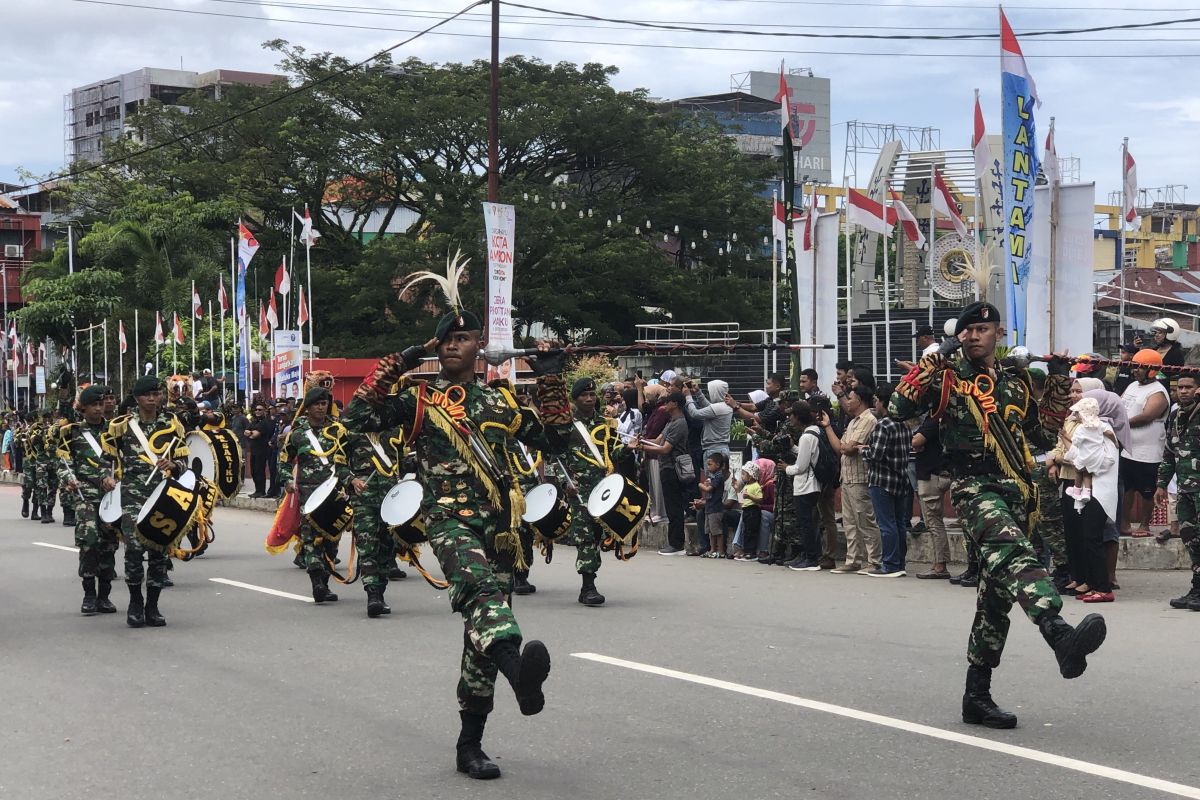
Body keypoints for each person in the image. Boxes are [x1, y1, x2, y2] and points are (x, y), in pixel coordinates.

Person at [342, 294, 567, 781]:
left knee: (479, 634)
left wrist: (549, 376)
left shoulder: (501, 402)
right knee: (482, 593)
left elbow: (556, 439)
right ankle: (519, 677)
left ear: (479, 346)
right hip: (448, 520)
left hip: (501, 527)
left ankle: (471, 744)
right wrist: (401, 361)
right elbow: (355, 419)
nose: (450, 346)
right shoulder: (419, 400)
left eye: (461, 338)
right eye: (444, 339)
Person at [890, 301, 1106, 730]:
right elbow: (899, 407)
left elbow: (1042, 434)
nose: (972, 337)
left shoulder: (1015, 380)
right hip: (973, 486)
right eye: (966, 331)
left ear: (998, 334)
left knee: (996, 599)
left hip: (1017, 489)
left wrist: (1061, 380)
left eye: (981, 329)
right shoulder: (947, 375)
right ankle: (1057, 630)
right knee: (1014, 553)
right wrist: (936, 355)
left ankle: (977, 696)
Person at [104, 376, 189, 628]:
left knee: (159, 552)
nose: (152, 399)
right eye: (147, 395)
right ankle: (134, 602)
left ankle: (152, 606)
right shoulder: (122, 426)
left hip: (162, 496)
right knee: (133, 550)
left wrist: (173, 464)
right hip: (133, 497)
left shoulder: (172, 425)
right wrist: (106, 478)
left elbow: (185, 463)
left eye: (156, 394)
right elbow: (105, 460)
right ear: (137, 398)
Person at [279, 388, 354, 604]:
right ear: (308, 407)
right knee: (310, 538)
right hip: (308, 491)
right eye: (316, 404)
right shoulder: (298, 433)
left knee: (332, 537)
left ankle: (326, 583)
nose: (321, 407)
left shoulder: (339, 430)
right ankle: (316, 583)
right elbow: (284, 460)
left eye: (324, 404)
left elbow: (350, 458)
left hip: (335, 491)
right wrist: (286, 480)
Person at [57, 386, 120, 616]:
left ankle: (104, 596)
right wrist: (69, 479)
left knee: (109, 545)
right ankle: (89, 595)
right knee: (88, 542)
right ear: (83, 408)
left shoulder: (114, 432)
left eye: (100, 404)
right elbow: (63, 463)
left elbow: (122, 461)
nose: (97, 408)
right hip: (85, 495)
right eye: (93, 405)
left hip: (110, 497)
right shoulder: (72, 433)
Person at [562, 376, 624, 605]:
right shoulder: (566, 424)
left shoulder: (605, 423)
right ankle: (588, 586)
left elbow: (614, 451)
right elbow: (556, 458)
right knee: (585, 536)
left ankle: (589, 581)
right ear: (575, 398)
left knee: (597, 535)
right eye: (584, 395)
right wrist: (564, 482)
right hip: (578, 489)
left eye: (591, 395)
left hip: (603, 486)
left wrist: (627, 450)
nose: (589, 399)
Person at [1061, 391, 1122, 604]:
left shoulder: (1104, 431)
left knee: (1093, 539)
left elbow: (1101, 463)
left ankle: (1103, 588)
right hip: (1091, 492)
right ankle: (1095, 584)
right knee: (1088, 538)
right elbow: (1079, 457)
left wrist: (1083, 462)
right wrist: (1065, 439)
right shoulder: (1090, 432)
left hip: (1100, 492)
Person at [344, 421, 404, 617]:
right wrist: (352, 480)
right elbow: (338, 463)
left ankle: (381, 590)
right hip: (364, 498)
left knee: (387, 546)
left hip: (391, 496)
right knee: (367, 543)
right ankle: (373, 595)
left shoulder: (395, 429)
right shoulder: (350, 430)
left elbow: (404, 462)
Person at [821, 386, 882, 574]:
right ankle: (853, 559)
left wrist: (847, 446)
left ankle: (874, 560)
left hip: (860, 476)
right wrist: (828, 426)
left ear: (860, 400)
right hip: (847, 476)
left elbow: (848, 448)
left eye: (851, 398)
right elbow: (840, 447)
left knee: (865, 519)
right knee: (849, 521)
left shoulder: (868, 420)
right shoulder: (854, 421)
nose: (847, 402)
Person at [1156, 373, 1200, 611]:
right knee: (1190, 537)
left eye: (1188, 387)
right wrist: (1162, 484)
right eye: (1179, 387)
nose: (1183, 391)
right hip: (1185, 488)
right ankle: (1197, 586)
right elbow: (1169, 453)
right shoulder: (1175, 415)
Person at [1119, 349, 1170, 537]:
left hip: (1148, 453)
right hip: (1128, 449)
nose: (1135, 371)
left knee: (1147, 491)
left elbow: (1147, 416)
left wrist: (1120, 423)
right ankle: (1124, 524)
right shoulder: (1133, 386)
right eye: (1134, 367)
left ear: (1152, 370)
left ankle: (1144, 525)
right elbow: (1121, 404)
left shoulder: (1158, 391)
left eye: (1140, 368)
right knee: (1127, 489)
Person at [861, 384, 910, 577]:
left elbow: (876, 454)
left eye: (876, 401)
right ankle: (899, 562)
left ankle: (889, 564)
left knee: (886, 524)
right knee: (898, 523)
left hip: (882, 480)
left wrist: (863, 450)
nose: (875, 404)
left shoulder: (883, 425)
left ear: (883, 402)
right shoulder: (904, 425)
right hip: (900, 479)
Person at [637, 391, 691, 556]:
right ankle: (673, 542)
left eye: (667, 402)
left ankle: (677, 544)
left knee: (674, 507)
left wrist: (642, 447)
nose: (665, 405)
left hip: (673, 468)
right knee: (670, 506)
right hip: (665, 467)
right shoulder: (671, 422)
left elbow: (665, 448)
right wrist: (642, 440)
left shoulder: (680, 423)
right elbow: (658, 441)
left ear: (675, 403)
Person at [912, 409, 952, 579]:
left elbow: (916, 441)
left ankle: (939, 565)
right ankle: (939, 563)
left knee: (933, 522)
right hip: (939, 473)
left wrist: (916, 441)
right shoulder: (945, 417)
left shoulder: (934, 419)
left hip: (931, 475)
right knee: (934, 521)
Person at [784, 401, 823, 571]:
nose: (790, 418)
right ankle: (811, 556)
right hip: (813, 484)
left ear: (798, 417)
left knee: (805, 524)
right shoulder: (815, 433)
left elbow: (801, 466)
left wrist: (786, 469)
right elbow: (805, 454)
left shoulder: (806, 437)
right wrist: (793, 447)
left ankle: (811, 559)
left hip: (806, 485)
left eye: (792, 414)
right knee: (809, 523)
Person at [685, 379, 733, 459]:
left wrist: (688, 396)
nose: (709, 394)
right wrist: (698, 392)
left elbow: (694, 413)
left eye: (710, 391)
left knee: (713, 472)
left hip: (714, 451)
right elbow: (708, 406)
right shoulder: (726, 406)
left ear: (715, 392)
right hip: (720, 449)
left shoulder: (718, 408)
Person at [1134, 317, 1185, 392]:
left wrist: (1173, 391)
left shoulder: (1176, 353)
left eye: (1160, 332)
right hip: (1146, 387)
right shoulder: (1153, 350)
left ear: (1170, 333)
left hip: (1163, 390)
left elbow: (1175, 377)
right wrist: (1137, 348)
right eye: (1155, 333)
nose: (1156, 335)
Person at [698, 452, 729, 558]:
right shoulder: (712, 477)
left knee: (717, 531)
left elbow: (708, 489)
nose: (708, 467)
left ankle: (721, 551)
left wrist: (700, 485)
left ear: (718, 465)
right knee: (710, 531)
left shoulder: (719, 477)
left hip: (716, 508)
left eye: (710, 464)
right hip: (709, 507)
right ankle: (712, 550)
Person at [245, 404, 275, 498]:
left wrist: (251, 433)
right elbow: (246, 432)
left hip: (261, 450)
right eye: (256, 409)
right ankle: (257, 490)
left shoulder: (265, 422)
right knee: (253, 471)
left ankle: (261, 491)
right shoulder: (254, 421)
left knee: (259, 471)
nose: (258, 411)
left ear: (264, 411)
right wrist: (251, 433)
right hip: (253, 449)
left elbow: (255, 435)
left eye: (260, 410)